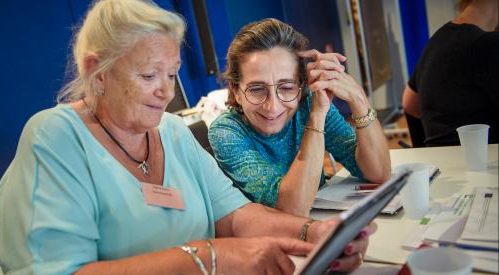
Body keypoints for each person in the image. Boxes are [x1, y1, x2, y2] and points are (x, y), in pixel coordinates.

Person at [0, 1, 376, 274]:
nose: (166, 91)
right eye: (148, 76)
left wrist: (315, 234)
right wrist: (211, 258)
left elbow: (236, 217)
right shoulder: (55, 137)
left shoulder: (171, 131)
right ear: (98, 72)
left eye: (172, 74)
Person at [208, 18, 391, 216]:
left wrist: (358, 99)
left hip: (320, 226)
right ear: (235, 90)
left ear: (301, 85)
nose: (272, 106)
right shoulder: (226, 132)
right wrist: (317, 117)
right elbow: (292, 208)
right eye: (257, 89)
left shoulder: (308, 105)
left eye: (286, 87)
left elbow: (378, 173)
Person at [402, 0, 499, 146]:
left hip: (441, 162)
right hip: (480, 163)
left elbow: (409, 102)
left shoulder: (439, 39)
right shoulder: (490, 46)